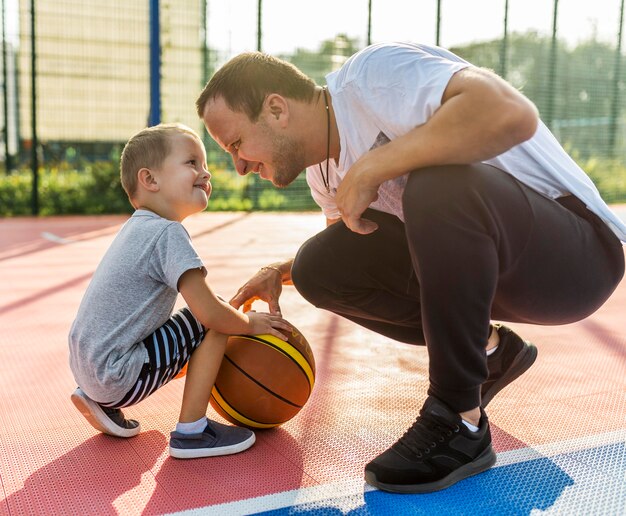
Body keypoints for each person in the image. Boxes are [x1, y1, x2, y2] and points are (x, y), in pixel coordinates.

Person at [196, 42, 626, 492]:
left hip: (576, 258)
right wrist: (281, 269)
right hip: (501, 270)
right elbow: (364, 256)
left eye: (236, 143)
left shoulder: (373, 78)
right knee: (319, 267)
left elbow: (509, 112)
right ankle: (491, 352)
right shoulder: (322, 174)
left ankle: (458, 419)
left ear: (277, 109)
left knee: (438, 184)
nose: (239, 166)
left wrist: (372, 167)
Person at [68, 123, 290, 459]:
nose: (205, 172)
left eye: (205, 165)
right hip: (117, 374)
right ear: (150, 180)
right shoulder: (167, 234)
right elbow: (210, 314)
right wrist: (250, 325)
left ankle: (100, 401)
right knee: (212, 322)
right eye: (191, 163)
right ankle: (193, 433)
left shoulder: (136, 228)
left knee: (197, 328)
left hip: (87, 367)